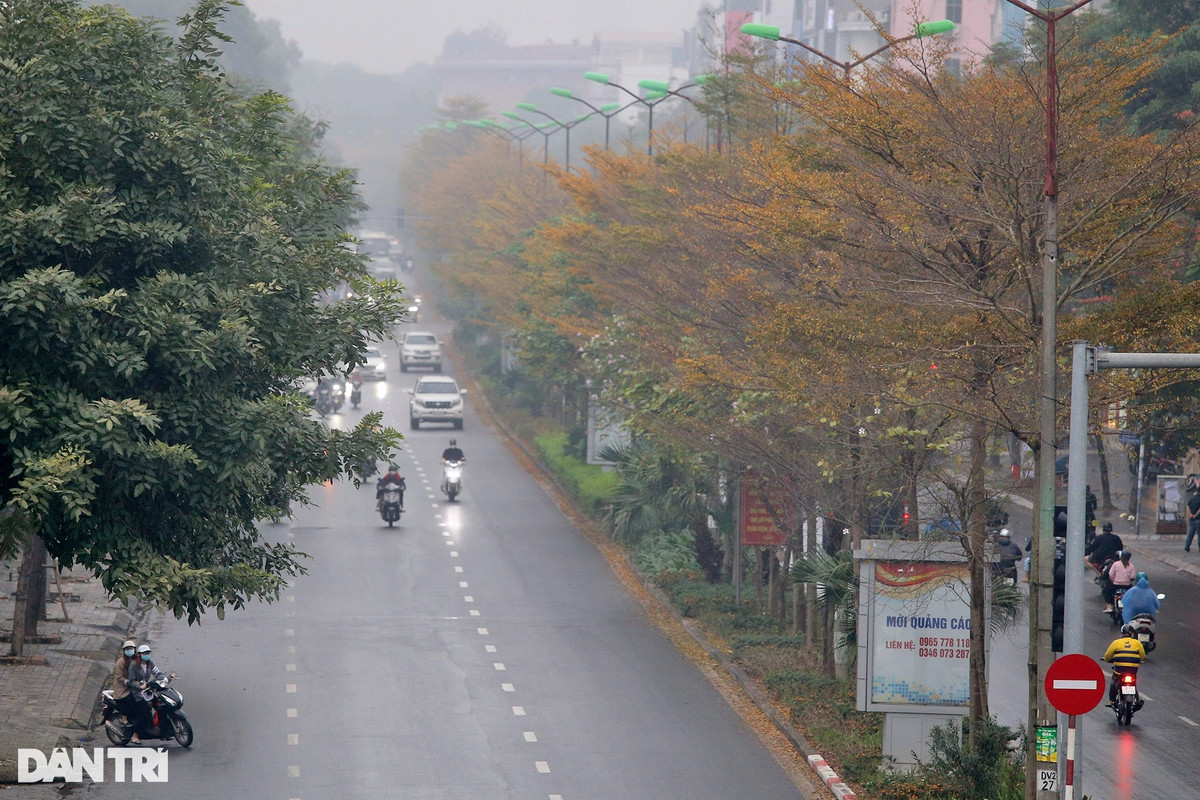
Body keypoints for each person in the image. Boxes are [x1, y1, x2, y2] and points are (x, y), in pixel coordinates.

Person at [127, 644, 174, 742]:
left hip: (148, 691)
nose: (146, 655)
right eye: (144, 653)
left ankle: (163, 731)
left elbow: (158, 673)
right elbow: (130, 681)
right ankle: (135, 735)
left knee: (161, 706)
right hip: (138, 693)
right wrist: (139, 686)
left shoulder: (150, 664)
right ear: (139, 654)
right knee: (144, 713)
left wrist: (167, 678)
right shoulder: (133, 665)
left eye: (148, 653)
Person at [1102, 624, 1146, 707]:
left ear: (1122, 633)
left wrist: (1107, 660)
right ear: (1131, 633)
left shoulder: (1116, 642)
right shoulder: (1137, 643)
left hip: (1119, 670)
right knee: (1133, 683)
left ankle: (1111, 700)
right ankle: (1136, 699)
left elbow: (1108, 656)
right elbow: (1143, 656)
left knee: (1113, 682)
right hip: (1133, 670)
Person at [110, 640, 142, 744]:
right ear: (124, 651)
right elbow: (119, 677)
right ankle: (133, 734)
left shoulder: (136, 661)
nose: (129, 651)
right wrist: (128, 681)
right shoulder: (121, 662)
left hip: (134, 687)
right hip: (122, 690)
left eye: (131, 649)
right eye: (127, 649)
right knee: (136, 710)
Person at [1186, 474, 1200, 553]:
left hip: (1191, 519)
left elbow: (1187, 506)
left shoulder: (1192, 498)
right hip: (1198, 519)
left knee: (1190, 534)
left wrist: (1190, 514)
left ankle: (1186, 546)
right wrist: (1196, 515)